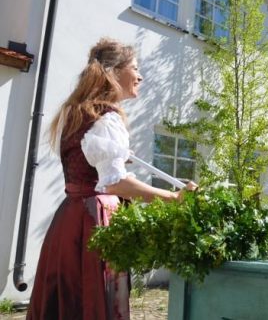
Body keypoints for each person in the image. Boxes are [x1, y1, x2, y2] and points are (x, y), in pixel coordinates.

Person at [27, 38, 197, 320]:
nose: (140, 75)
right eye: (135, 67)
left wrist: (115, 160)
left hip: (68, 221)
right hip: (94, 222)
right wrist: (174, 198)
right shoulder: (107, 118)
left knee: (67, 301)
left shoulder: (76, 112)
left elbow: (91, 169)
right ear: (114, 72)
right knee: (93, 302)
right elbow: (114, 183)